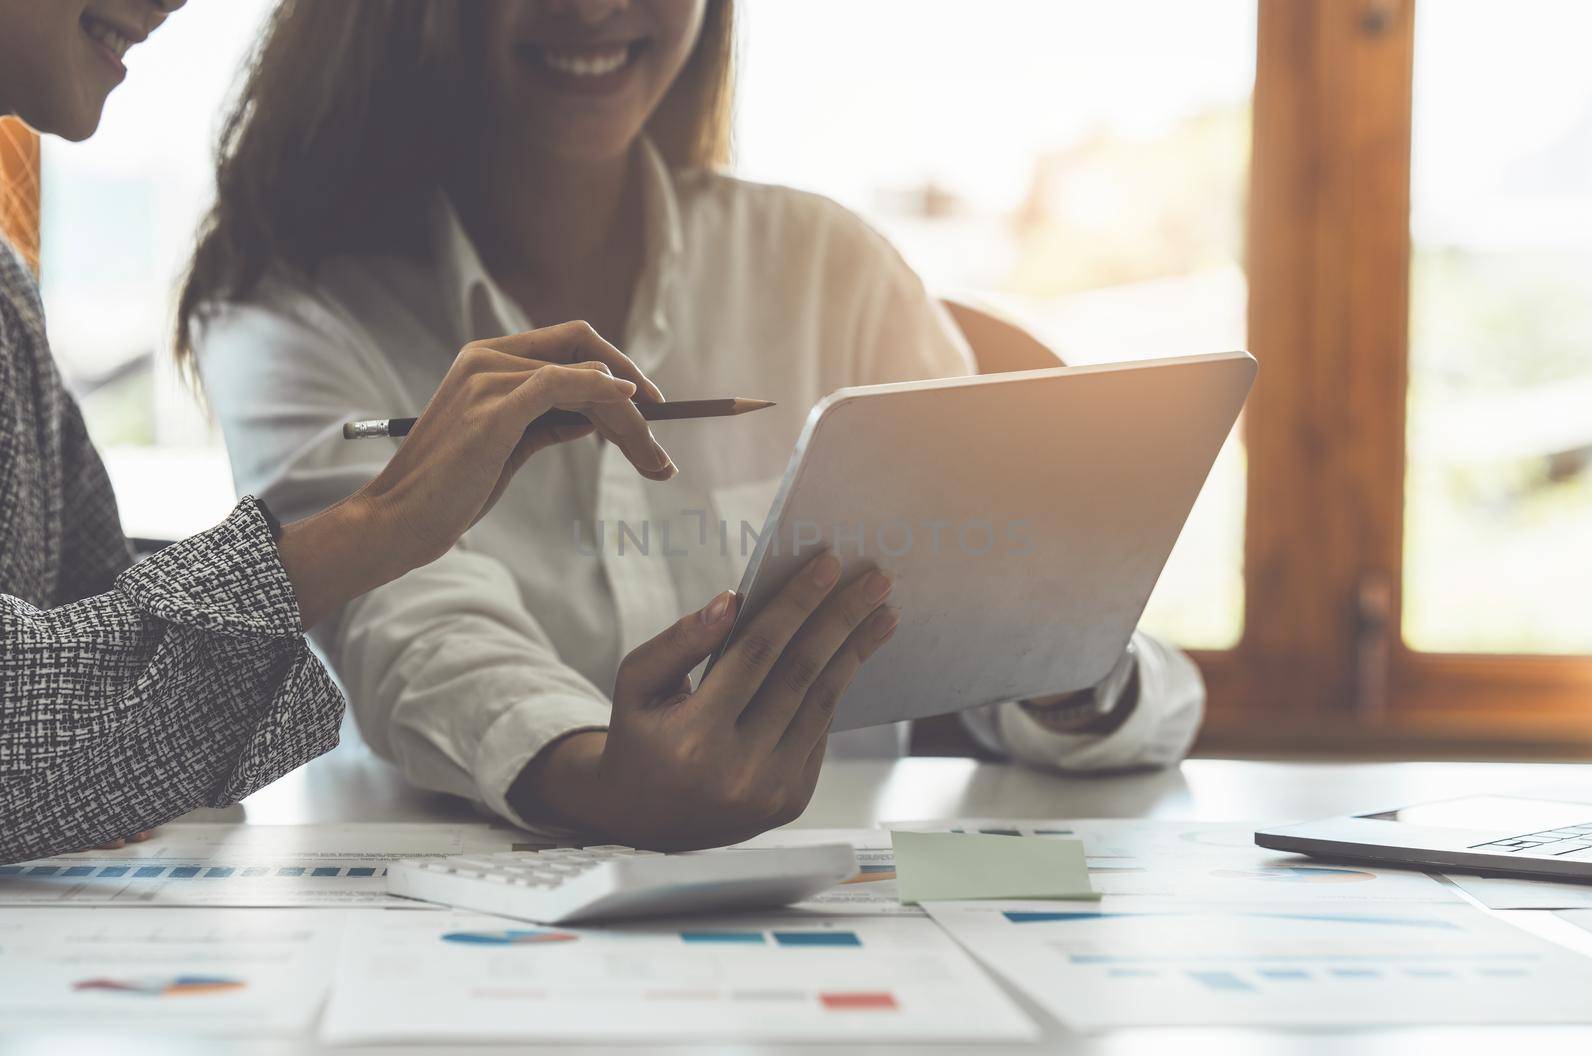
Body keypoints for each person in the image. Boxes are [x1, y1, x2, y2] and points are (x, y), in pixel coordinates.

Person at [186, 0, 1205, 844]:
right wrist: (603, 780)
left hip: (821, 922)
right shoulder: (292, 314)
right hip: (445, 915)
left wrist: (1052, 665)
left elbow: (991, 619)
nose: (590, 7)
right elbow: (412, 627)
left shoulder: (829, 269)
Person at [0, 0, 894, 864]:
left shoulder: (8, 302)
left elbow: (108, 696)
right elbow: (72, 711)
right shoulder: (294, 307)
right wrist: (380, 523)